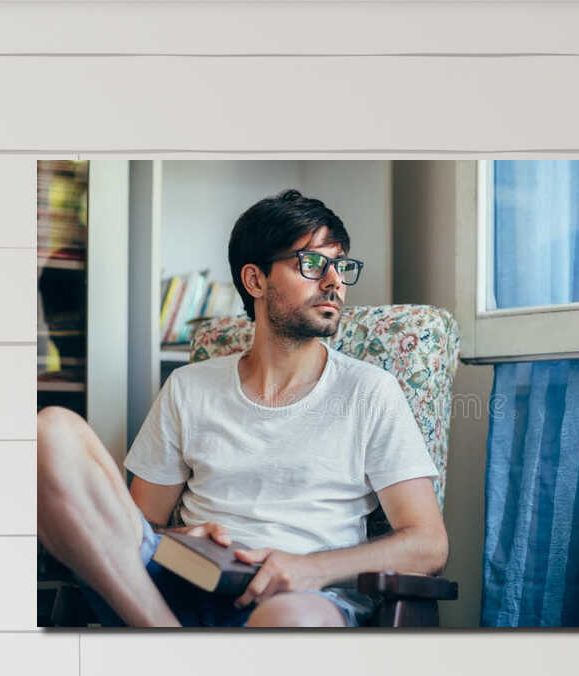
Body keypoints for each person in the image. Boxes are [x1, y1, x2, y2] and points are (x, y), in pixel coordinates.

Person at [36, 189, 449, 627]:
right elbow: (138, 526)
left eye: (341, 265)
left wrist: (311, 569)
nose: (334, 282)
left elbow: (428, 544)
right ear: (255, 281)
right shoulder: (188, 387)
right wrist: (182, 537)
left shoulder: (370, 392)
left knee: (294, 621)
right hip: (175, 585)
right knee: (51, 429)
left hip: (299, 599)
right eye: (311, 263)